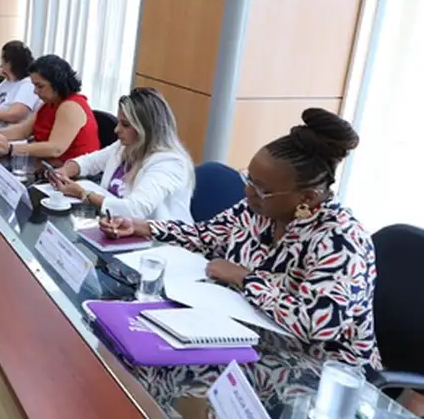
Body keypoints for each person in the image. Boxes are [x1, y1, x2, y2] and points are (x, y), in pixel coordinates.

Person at [100, 108, 379, 369]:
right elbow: (206, 235)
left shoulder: (341, 240)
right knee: (137, 354)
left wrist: (244, 278)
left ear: (307, 197)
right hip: (244, 338)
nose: (248, 192)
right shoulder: (258, 210)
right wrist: (143, 227)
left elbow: (316, 323)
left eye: (262, 189)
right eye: (249, 179)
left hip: (318, 371)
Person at [49, 87, 194, 222]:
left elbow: (135, 210)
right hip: (115, 225)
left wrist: (83, 194)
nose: (116, 130)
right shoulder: (127, 146)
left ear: (146, 129)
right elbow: (91, 162)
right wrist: (64, 171)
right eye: (119, 122)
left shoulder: (169, 163)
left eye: (125, 125)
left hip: (154, 238)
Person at [0, 54, 100, 164]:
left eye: (40, 86)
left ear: (57, 84)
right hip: (46, 165)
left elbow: (55, 148)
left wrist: (10, 149)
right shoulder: (50, 103)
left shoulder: (70, 107)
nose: (35, 91)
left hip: (67, 172)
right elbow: (23, 130)